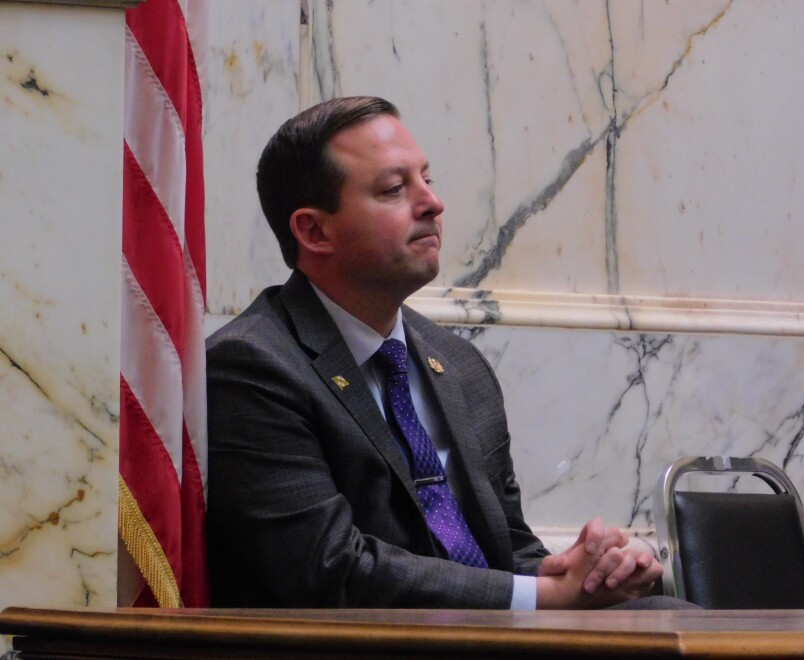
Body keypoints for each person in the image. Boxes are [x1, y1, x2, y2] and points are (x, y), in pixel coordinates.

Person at [206, 96, 682, 609]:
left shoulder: (455, 362)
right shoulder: (253, 366)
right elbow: (329, 569)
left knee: (671, 617)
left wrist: (585, 572)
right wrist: (545, 596)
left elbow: (507, 548)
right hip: (366, 648)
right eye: (393, 189)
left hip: (486, 639)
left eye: (427, 179)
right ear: (314, 230)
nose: (432, 203)